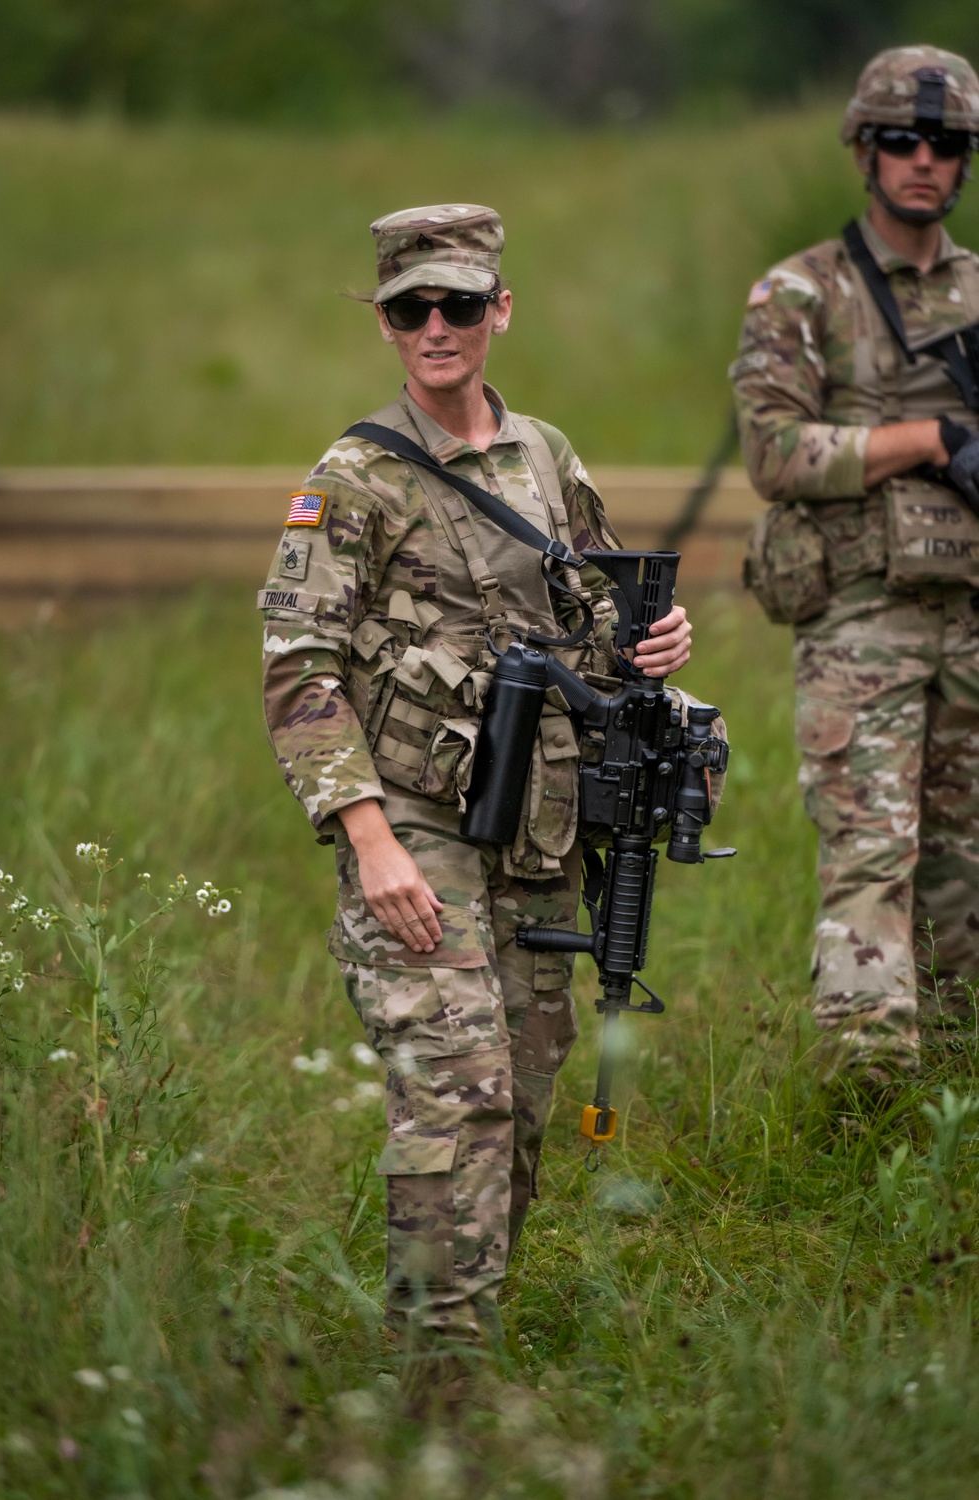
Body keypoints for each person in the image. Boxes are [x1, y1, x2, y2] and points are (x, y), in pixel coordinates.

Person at [258, 204, 693, 1384]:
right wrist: (368, 839)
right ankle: (440, 1389)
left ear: (500, 309)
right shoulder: (353, 477)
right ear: (388, 323)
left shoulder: (547, 456)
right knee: (455, 1098)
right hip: (417, 830)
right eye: (410, 309)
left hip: (539, 836)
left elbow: (602, 622)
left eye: (458, 304)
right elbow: (300, 671)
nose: (435, 328)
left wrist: (653, 645)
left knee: (523, 1109)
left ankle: (456, 1353)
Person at [731, 47, 979, 1080]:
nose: (922, 161)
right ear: (862, 151)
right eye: (899, 141)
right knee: (872, 864)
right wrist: (925, 442)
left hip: (969, 616)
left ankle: (954, 1103)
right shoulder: (802, 292)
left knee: (964, 873)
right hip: (859, 621)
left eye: (945, 144)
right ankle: (866, 1106)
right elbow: (772, 451)